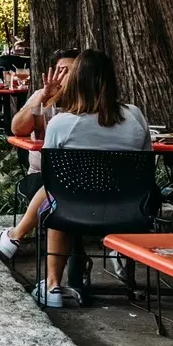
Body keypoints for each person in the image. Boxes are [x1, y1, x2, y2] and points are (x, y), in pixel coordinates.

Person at [23, 49, 148, 307]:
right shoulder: (135, 116)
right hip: (129, 208)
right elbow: (146, 158)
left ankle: (53, 285)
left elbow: (51, 172)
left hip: (73, 210)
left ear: (77, 80)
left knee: (57, 196)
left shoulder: (61, 123)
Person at [0, 49, 80, 265]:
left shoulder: (89, 103)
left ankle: (15, 237)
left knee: (68, 186)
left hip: (79, 178)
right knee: (61, 186)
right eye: (61, 70)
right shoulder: (41, 96)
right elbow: (17, 129)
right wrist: (44, 98)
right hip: (41, 175)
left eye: (72, 71)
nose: (65, 77)